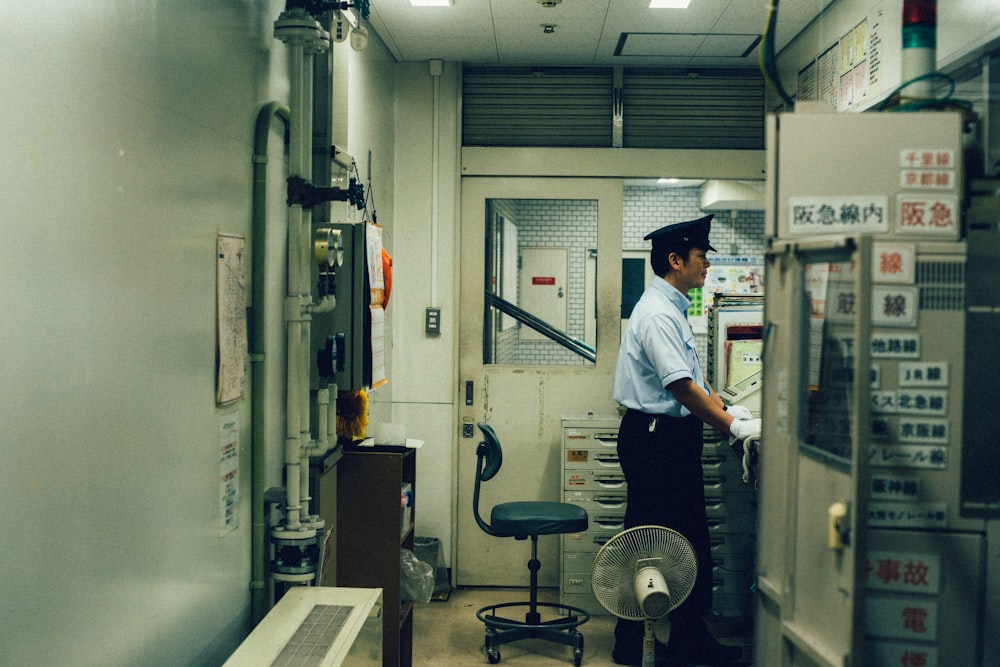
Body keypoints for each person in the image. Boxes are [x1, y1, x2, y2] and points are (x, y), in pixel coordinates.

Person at [612, 214, 760, 667]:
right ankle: (651, 643)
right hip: (659, 441)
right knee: (660, 542)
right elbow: (680, 387)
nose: (706, 266)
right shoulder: (658, 313)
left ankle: (667, 640)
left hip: (665, 438)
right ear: (675, 260)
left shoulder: (670, 307)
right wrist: (730, 426)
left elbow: (696, 379)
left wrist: (727, 409)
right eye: (701, 257)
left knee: (672, 540)